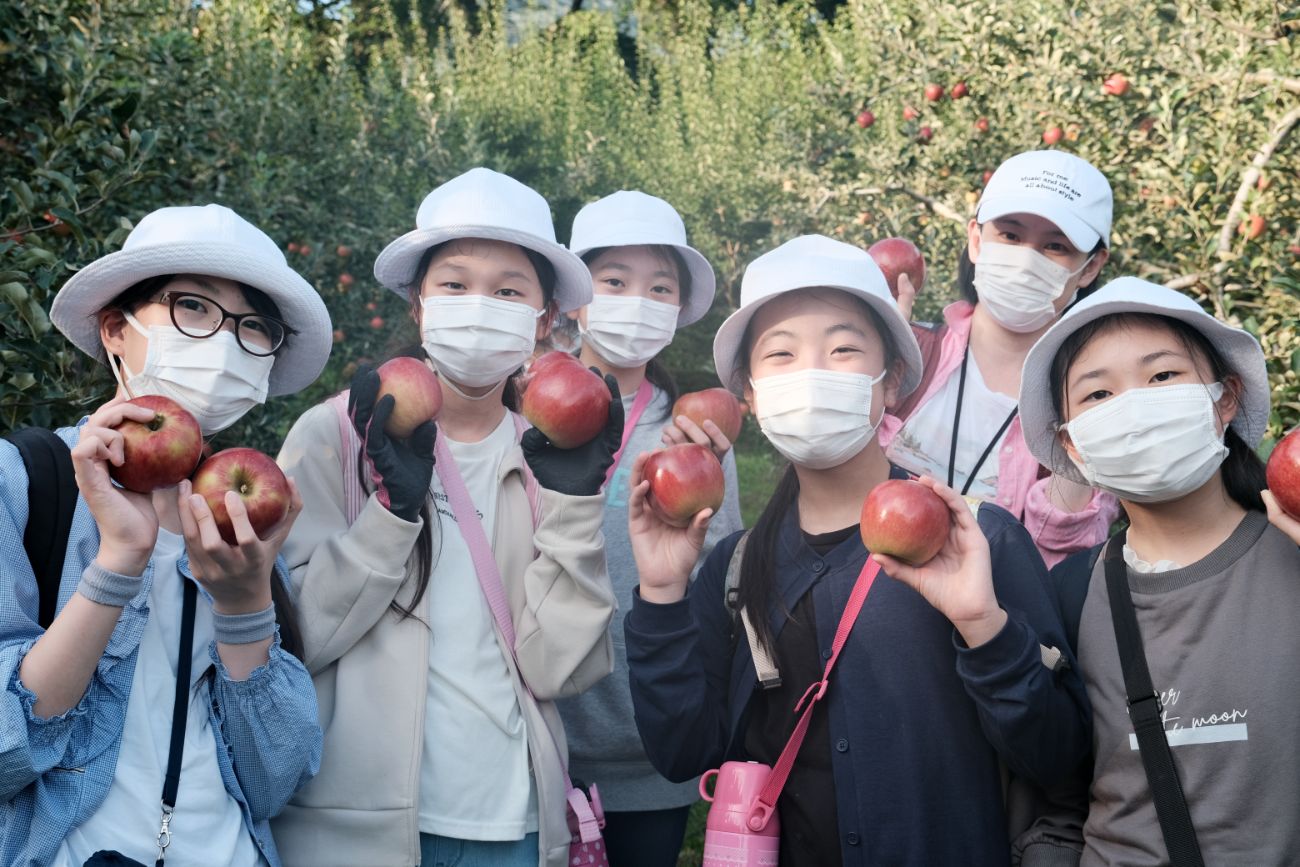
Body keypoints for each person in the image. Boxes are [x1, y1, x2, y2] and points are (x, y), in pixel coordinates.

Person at [623, 234, 1091, 866]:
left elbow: (1063, 762)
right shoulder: (737, 569)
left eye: (843, 349)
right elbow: (682, 752)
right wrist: (660, 592)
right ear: (753, 399)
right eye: (781, 355)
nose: (812, 372)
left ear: (891, 379)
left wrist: (985, 628)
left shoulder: (977, 543)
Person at [272, 168, 621, 867]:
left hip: (514, 822)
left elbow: (558, 666)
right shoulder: (335, 436)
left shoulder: (548, 458)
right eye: (455, 284)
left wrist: (578, 504)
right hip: (352, 833)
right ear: (418, 303)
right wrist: (390, 515)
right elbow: (293, 639)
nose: (479, 305)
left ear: (543, 319)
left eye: (509, 290)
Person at [0, 204, 328, 866]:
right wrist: (119, 562)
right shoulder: (26, 482)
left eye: (254, 327)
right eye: (195, 308)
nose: (225, 342)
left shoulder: (246, 523)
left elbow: (274, 781)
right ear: (116, 330)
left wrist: (243, 605)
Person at [1016, 276, 1300, 864]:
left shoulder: (1291, 554)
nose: (1133, 408)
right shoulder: (1073, 593)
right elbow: (1064, 793)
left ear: (1224, 398)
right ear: (1074, 446)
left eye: (1162, 376)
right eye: (1097, 395)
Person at [554, 191, 743, 866]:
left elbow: (721, 574)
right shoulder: (528, 412)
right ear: (576, 296)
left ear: (676, 309)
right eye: (614, 282)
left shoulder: (693, 430)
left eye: (659, 287)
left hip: (649, 740)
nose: (637, 300)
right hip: (543, 730)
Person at [880, 149, 1120, 567]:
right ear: (976, 240)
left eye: (1055, 246)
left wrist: (1082, 427)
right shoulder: (911, 353)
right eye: (1010, 236)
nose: (1027, 257)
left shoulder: (1093, 403)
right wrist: (871, 363)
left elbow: (1059, 562)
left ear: (1089, 267)